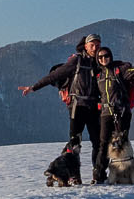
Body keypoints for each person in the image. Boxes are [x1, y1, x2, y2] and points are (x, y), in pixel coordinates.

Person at [19, 33, 109, 183]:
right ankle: (75, 176)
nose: (95, 48)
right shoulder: (77, 60)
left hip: (94, 107)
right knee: (75, 143)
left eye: (97, 45)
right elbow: (54, 76)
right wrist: (34, 87)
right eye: (92, 45)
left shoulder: (100, 62)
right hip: (77, 107)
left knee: (98, 143)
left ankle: (98, 175)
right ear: (85, 46)